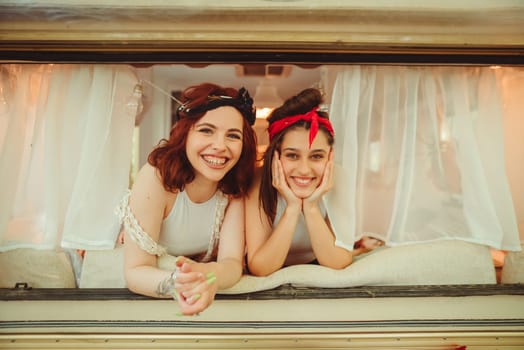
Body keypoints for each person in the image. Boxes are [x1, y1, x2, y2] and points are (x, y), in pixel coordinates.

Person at [117, 83, 257, 315]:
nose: (220, 146)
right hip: (130, 298)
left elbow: (232, 263)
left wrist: (208, 278)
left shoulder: (236, 187)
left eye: (233, 135)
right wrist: (179, 284)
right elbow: (135, 270)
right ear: (185, 135)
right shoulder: (156, 178)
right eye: (206, 130)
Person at [245, 88, 382, 277]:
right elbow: (260, 267)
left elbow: (337, 261)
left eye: (316, 156)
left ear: (330, 157)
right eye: (292, 155)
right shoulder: (258, 180)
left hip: (317, 264)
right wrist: (292, 208)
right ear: (275, 156)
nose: (304, 169)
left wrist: (310, 207)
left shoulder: (339, 177)